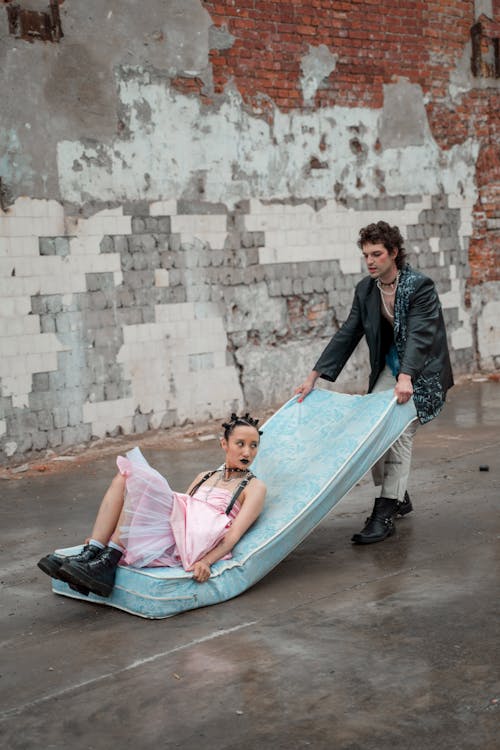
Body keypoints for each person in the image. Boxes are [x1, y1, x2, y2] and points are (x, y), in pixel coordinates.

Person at [295, 221, 453, 544]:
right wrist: (313, 377)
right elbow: (348, 333)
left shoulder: (419, 286)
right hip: (391, 367)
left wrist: (407, 377)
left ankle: (386, 508)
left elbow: (422, 336)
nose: (370, 260)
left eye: (377, 254)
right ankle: (398, 494)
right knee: (372, 430)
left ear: (393, 253)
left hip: (423, 372)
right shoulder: (366, 290)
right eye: (365, 254)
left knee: (397, 432)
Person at [37, 413, 266, 596]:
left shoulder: (254, 487)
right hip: (180, 529)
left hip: (198, 539)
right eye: (240, 443)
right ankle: (94, 551)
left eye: (254, 445)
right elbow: (177, 511)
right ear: (224, 444)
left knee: (144, 479)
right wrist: (105, 535)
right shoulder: (204, 475)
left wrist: (206, 562)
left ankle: (107, 560)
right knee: (126, 476)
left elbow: (233, 536)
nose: (247, 452)